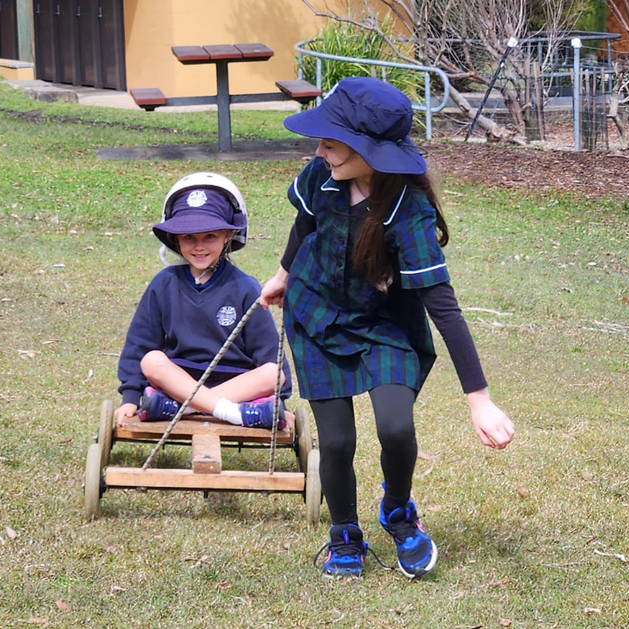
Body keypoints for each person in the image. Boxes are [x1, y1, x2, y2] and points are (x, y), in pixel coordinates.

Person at [260, 77, 515, 579]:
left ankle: (398, 510)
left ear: (369, 148)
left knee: (396, 427)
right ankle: (345, 536)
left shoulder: (408, 212)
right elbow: (304, 225)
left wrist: (479, 398)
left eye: (332, 141)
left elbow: (443, 307)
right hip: (315, 318)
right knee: (335, 443)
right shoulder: (320, 175)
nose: (320, 149)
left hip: (385, 326)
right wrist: (283, 276)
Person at [117, 172, 291, 430]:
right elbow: (139, 344)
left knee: (271, 374)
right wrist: (130, 398)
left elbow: (268, 352)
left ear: (227, 236)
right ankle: (232, 413)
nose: (199, 246)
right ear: (175, 239)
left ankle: (182, 410)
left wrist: (282, 406)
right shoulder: (164, 283)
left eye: (210, 236)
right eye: (189, 237)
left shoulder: (244, 286)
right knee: (151, 360)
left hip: (236, 385)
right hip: (178, 382)